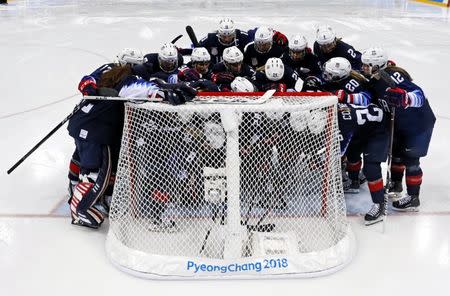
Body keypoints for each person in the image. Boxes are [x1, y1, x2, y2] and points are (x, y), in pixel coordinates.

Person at [68, 64, 197, 229]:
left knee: (88, 166)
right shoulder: (127, 81)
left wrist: (90, 90)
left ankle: (78, 195)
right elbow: (140, 89)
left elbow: (86, 81)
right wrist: (165, 93)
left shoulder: (106, 74)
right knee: (95, 172)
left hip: (82, 124)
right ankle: (80, 211)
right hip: (95, 131)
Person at [68, 48, 144, 211]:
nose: (133, 68)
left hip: (107, 123)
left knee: (108, 160)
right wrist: (89, 89)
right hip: (97, 122)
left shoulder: (131, 78)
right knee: (90, 162)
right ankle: (79, 193)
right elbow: (87, 80)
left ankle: (106, 195)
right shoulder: (110, 69)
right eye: (132, 65)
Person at [361, 47, 436, 211]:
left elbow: (419, 95)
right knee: (396, 154)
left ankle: (413, 197)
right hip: (400, 124)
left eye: (367, 65)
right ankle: (396, 185)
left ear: (377, 65)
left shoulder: (393, 76)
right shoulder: (374, 79)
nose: (363, 68)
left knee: (411, 160)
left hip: (418, 124)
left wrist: (406, 98)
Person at [337, 102, 389, 225]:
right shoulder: (336, 113)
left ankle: (379, 205)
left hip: (379, 132)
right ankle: (354, 183)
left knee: (371, 168)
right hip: (363, 128)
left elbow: (340, 152)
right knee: (353, 153)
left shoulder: (343, 121)